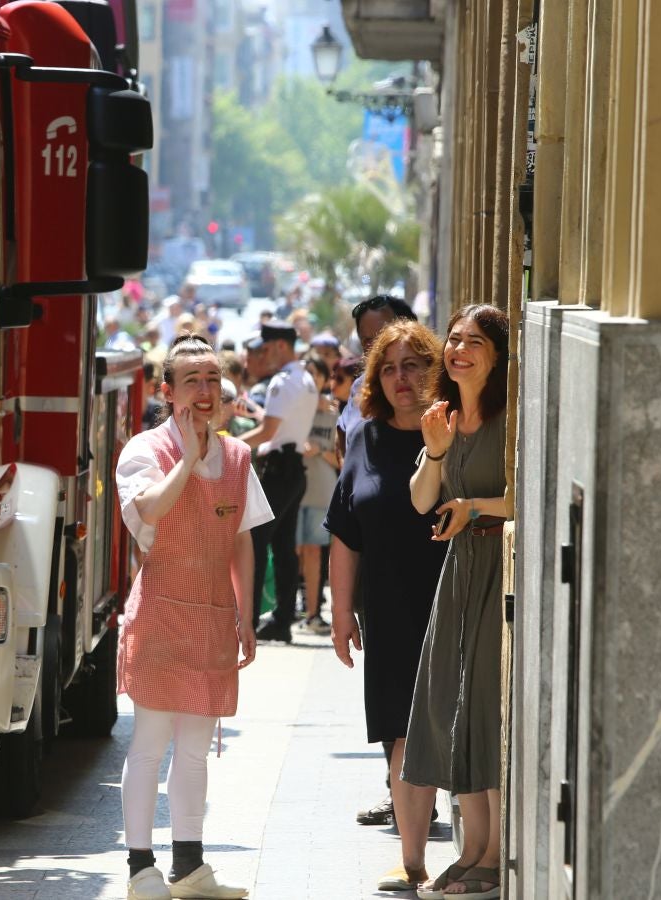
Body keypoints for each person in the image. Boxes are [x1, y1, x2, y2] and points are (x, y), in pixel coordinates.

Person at [115, 334, 271, 900]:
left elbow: (242, 541)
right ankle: (140, 869)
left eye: (212, 379)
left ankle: (191, 867)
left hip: (210, 620)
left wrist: (246, 615)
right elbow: (149, 509)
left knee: (197, 750)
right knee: (150, 745)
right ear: (167, 391)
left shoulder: (236, 457)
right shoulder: (142, 452)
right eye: (192, 382)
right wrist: (186, 458)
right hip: (159, 617)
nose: (205, 392)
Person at [324, 321, 449, 892]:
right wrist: (342, 614)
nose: (402, 379)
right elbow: (345, 534)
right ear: (377, 379)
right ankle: (414, 861)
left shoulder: (456, 433)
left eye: (414, 365)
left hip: (451, 601)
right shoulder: (365, 440)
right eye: (390, 368)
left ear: (435, 370)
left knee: (455, 729)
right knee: (400, 735)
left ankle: (476, 854)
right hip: (389, 612)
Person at [404, 304, 511, 900]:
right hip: (460, 570)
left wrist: (476, 509)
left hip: (500, 565)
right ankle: (473, 849)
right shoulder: (442, 417)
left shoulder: (511, 415)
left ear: (496, 355)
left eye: (474, 341)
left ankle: (494, 854)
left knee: (486, 706)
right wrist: (437, 451)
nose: (458, 349)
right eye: (453, 340)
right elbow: (422, 500)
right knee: (453, 701)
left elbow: (527, 496)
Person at [238, 321, 318, 643]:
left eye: (266, 348)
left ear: (281, 346)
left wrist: (223, 446)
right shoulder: (307, 378)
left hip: (279, 467)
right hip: (293, 466)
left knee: (255, 543)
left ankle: (251, 617)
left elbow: (267, 432)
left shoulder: (283, 382)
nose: (262, 354)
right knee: (283, 546)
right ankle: (281, 618)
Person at [336, 294, 417, 450]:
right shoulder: (360, 385)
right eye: (368, 341)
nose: (377, 347)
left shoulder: (436, 385)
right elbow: (344, 434)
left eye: (384, 336)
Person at [295, 355, 339, 634]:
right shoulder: (293, 409)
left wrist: (319, 451)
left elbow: (343, 460)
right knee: (290, 552)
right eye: (306, 373)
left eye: (316, 374)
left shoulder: (334, 413)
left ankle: (312, 613)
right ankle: (286, 609)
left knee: (312, 551)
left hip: (321, 489)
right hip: (293, 487)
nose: (311, 379)